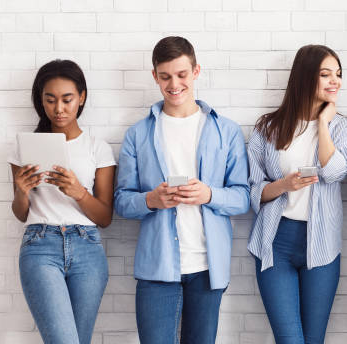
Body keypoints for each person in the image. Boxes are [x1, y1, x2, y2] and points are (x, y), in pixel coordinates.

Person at [113, 36, 249, 344]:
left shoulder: (225, 130)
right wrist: (151, 199)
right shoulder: (138, 134)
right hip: (156, 268)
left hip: (207, 266)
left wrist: (209, 195)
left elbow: (243, 196)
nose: (174, 84)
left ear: (196, 71)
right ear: (155, 77)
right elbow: (121, 201)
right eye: (165, 76)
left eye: (182, 74)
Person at [247, 44, 347, 344]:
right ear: (305, 76)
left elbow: (334, 173)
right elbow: (252, 192)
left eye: (338, 74)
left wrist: (323, 122)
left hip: (321, 243)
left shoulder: (344, 129)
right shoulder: (268, 127)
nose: (335, 81)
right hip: (277, 241)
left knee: (313, 339)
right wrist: (285, 185)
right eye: (325, 74)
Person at [9, 59, 115, 344]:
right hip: (40, 245)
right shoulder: (24, 146)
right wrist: (22, 191)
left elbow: (105, 218)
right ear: (40, 101)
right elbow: (21, 214)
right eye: (50, 100)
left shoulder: (97, 148)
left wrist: (78, 192)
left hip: (87, 248)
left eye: (67, 99)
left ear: (81, 98)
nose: (59, 108)